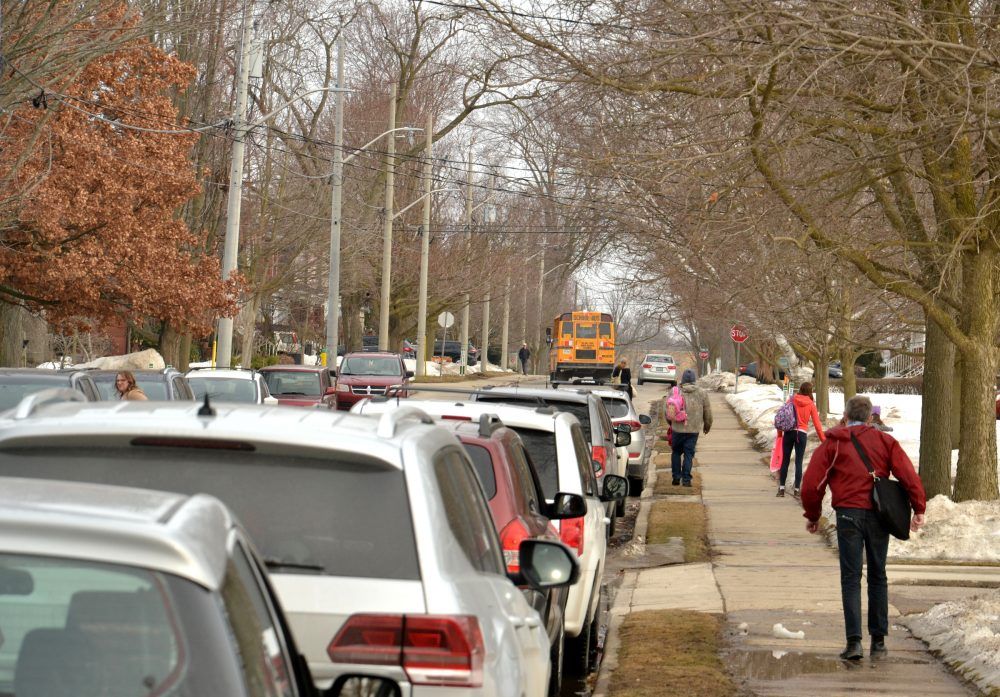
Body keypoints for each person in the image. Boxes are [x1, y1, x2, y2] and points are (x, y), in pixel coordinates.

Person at [801, 395, 926, 661]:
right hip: (879, 516)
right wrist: (919, 507)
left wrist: (813, 515)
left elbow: (813, 483)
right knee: (878, 575)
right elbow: (907, 474)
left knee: (850, 577)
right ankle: (878, 642)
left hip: (848, 515)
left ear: (846, 417)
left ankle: (854, 642)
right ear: (870, 418)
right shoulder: (885, 441)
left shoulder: (833, 444)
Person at [777, 382, 826, 499]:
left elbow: (781, 416)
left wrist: (780, 434)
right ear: (810, 391)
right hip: (802, 434)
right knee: (798, 462)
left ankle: (782, 488)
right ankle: (797, 489)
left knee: (785, 460)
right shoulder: (811, 404)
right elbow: (817, 425)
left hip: (788, 432)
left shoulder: (791, 400)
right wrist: (824, 441)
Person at [668, 369, 712, 487]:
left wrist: (670, 423)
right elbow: (707, 411)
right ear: (694, 380)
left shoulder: (674, 391)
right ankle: (686, 480)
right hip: (693, 429)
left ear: (682, 380)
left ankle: (676, 477)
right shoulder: (702, 393)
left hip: (677, 428)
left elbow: (666, 410)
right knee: (688, 454)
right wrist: (707, 425)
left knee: (676, 452)